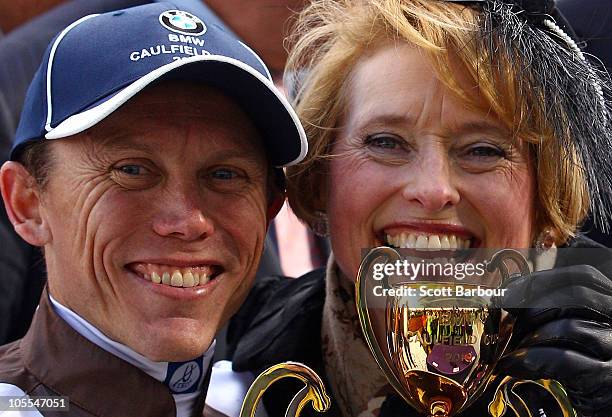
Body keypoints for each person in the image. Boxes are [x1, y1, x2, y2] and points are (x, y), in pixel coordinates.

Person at [228, 0, 612, 416]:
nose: (433, 190)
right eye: (386, 143)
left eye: (482, 150)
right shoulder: (221, 357)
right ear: (321, 177)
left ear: (546, 197)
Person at [0, 2, 307, 416]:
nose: (188, 222)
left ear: (271, 206)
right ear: (28, 203)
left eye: (224, 175)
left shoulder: (292, 397)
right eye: (131, 170)